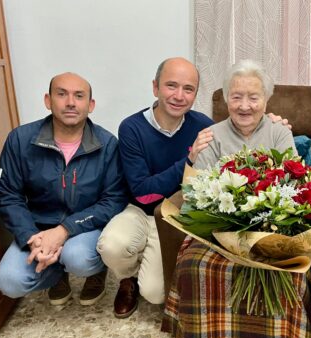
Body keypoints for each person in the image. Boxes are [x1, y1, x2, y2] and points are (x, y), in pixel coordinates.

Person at [162, 59, 311, 338]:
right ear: (227, 99)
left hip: (271, 227)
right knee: (195, 265)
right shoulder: (211, 135)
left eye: (253, 97)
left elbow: (292, 189)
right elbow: (194, 196)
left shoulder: (280, 133)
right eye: (236, 96)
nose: (244, 105)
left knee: (292, 273)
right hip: (219, 229)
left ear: (266, 100)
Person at [97, 57, 290, 319]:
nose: (179, 96)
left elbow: (254, 127)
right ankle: (127, 278)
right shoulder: (133, 127)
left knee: (154, 293)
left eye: (188, 89)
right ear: (155, 88)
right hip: (142, 208)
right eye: (171, 86)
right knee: (112, 246)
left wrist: (273, 121)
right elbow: (145, 191)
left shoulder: (203, 126)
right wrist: (189, 159)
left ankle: (146, 264)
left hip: (172, 214)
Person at [0, 72, 128, 306]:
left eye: (79, 96)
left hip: (84, 227)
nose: (70, 102)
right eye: (61, 94)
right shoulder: (20, 139)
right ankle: (56, 274)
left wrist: (64, 230)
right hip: (37, 228)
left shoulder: (107, 144)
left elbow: (113, 200)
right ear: (48, 101)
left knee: (78, 258)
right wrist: (30, 238)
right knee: (9, 281)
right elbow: (9, 196)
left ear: (91, 104)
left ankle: (94, 271)